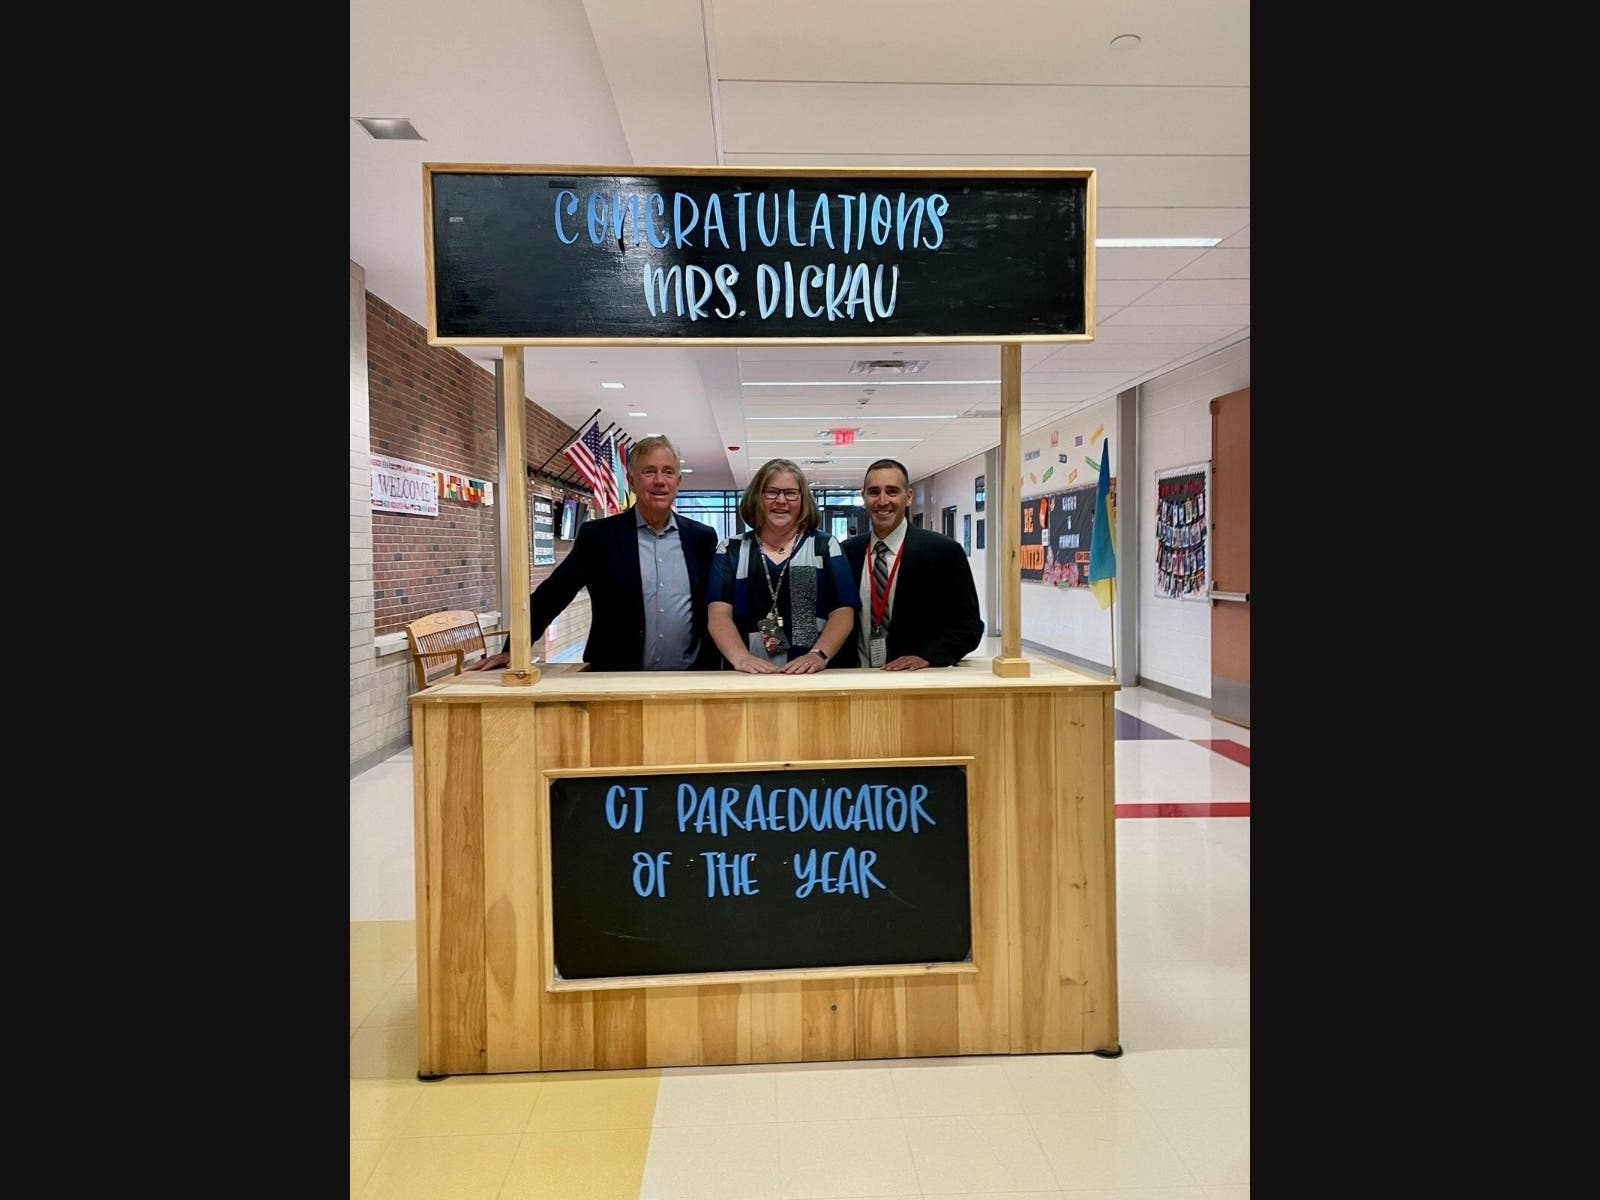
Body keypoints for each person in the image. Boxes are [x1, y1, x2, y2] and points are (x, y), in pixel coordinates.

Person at [470, 434, 721, 672]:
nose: (659, 481)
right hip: (616, 676)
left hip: (691, 676)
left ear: (678, 481)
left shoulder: (701, 538)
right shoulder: (599, 537)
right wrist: (513, 648)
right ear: (631, 480)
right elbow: (554, 592)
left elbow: (720, 603)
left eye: (668, 472)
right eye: (649, 471)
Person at [706, 459, 857, 674]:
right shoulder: (731, 550)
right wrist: (741, 658)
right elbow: (718, 614)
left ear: (803, 499)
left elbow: (843, 612)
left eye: (790, 493)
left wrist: (818, 654)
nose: (781, 500)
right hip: (747, 677)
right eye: (771, 492)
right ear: (757, 497)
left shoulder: (825, 547)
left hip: (811, 677)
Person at [841, 458, 984, 670]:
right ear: (863, 497)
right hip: (856, 679)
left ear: (908, 497)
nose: (882, 501)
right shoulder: (847, 552)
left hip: (915, 681)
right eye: (873, 492)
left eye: (892, 491)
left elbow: (969, 626)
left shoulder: (943, 552)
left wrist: (928, 657)